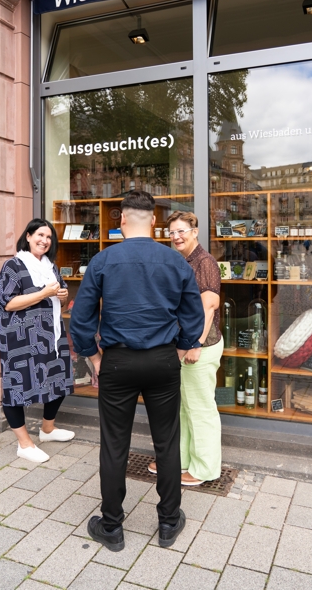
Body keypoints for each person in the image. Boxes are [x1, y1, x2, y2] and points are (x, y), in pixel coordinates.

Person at [69, 191, 205, 552]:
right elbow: (194, 314)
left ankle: (111, 526)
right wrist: (181, 348)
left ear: (122, 221)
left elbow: (81, 317)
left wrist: (93, 358)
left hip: (118, 361)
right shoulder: (175, 261)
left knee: (114, 444)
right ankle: (168, 522)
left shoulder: (103, 260)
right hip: (162, 361)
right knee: (167, 442)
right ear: (155, 223)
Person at [148, 211, 223, 485]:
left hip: (200, 347)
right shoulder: (181, 260)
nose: (176, 236)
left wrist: (196, 343)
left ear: (195, 232)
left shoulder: (205, 262)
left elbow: (209, 307)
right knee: (182, 408)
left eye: (181, 231)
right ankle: (179, 461)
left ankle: (204, 469)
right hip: (183, 345)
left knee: (200, 408)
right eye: (172, 232)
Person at [0, 219, 75, 464]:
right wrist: (44, 293)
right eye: (40, 235)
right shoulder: (13, 265)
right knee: (16, 388)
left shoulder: (51, 266)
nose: (45, 240)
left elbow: (59, 295)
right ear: (28, 236)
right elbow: (6, 302)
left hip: (51, 335)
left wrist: (62, 295)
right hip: (20, 339)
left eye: (49, 237)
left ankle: (47, 430)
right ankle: (24, 444)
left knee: (59, 378)